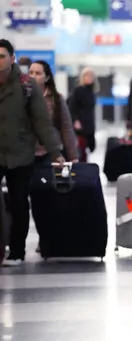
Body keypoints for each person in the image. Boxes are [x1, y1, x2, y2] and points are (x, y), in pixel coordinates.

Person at [0, 39, 63, 266]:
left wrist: (56, 152)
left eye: (2, 56)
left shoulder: (27, 86)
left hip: (21, 153)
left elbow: (42, 122)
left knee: (18, 202)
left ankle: (17, 252)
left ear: (12, 58)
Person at [29, 60, 78, 164]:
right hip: (27, 152)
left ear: (47, 77)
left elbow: (66, 128)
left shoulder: (56, 99)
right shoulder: (22, 97)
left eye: (38, 73)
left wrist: (73, 156)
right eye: (31, 73)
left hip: (50, 152)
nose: (33, 76)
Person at [68, 67, 98, 162]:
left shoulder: (92, 92)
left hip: (89, 125)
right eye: (87, 75)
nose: (89, 78)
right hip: (80, 126)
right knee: (80, 151)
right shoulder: (78, 90)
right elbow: (72, 107)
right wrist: (75, 120)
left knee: (86, 150)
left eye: (91, 76)